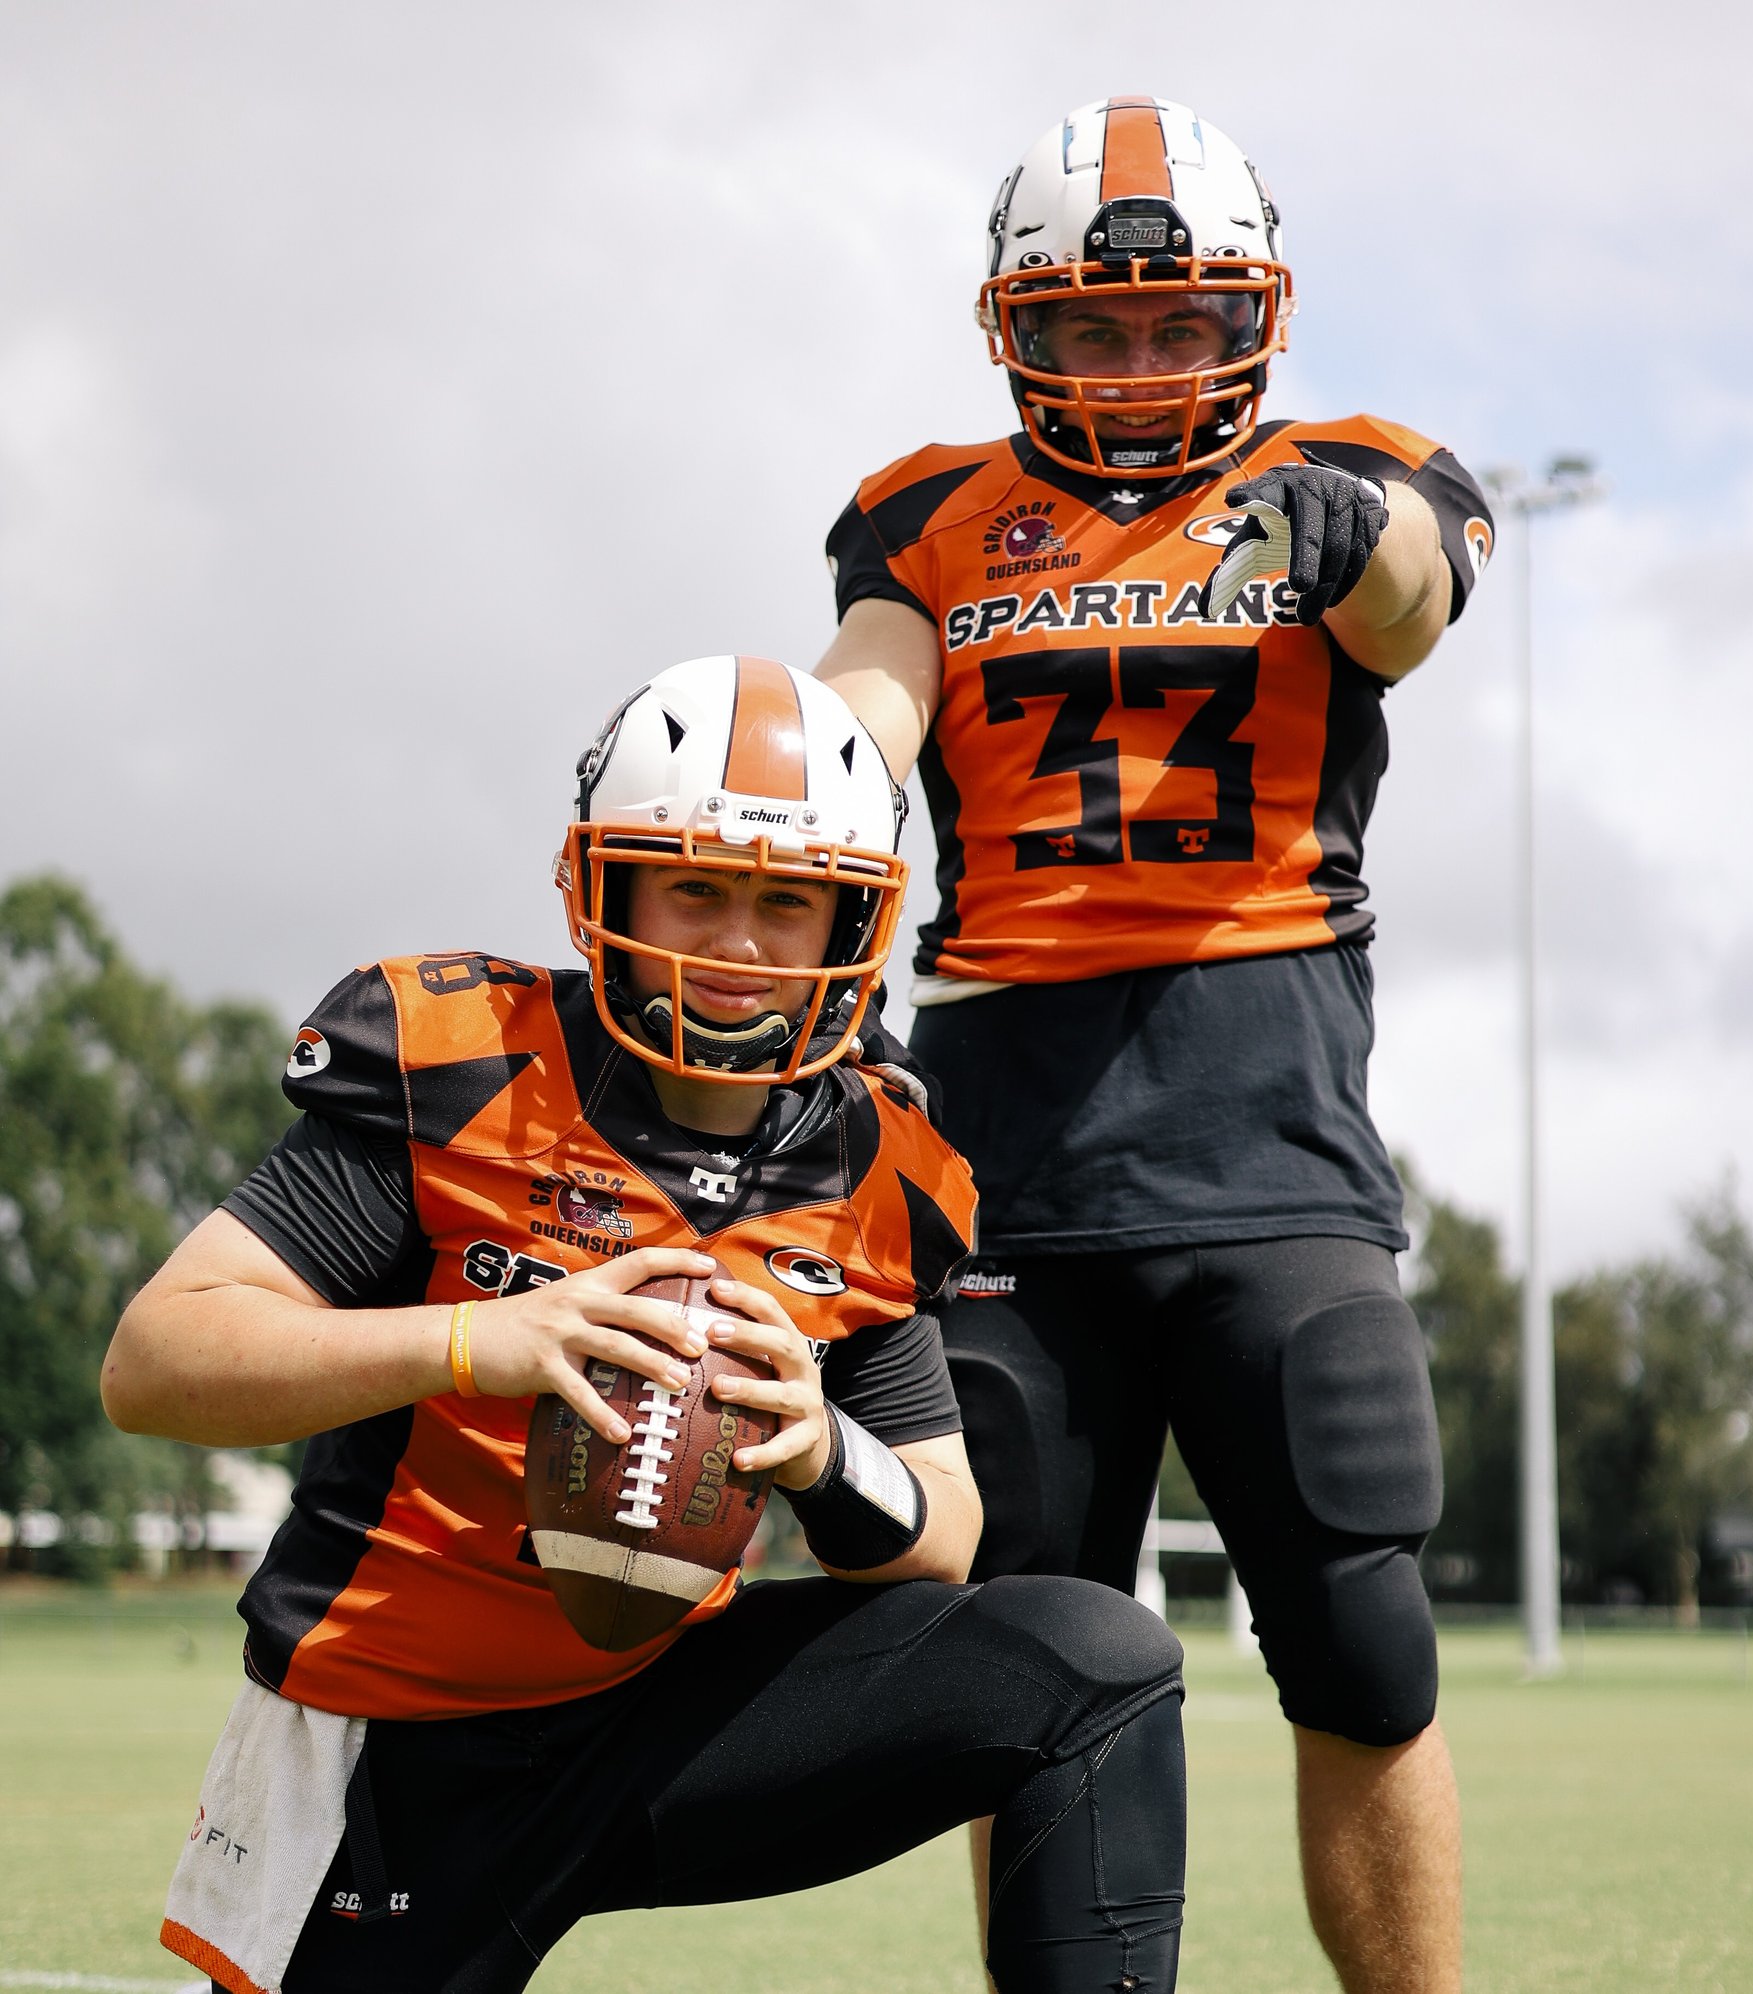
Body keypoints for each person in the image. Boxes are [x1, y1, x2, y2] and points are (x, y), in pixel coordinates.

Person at [103, 654, 1187, 1994]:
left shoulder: (873, 1160)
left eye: (789, 902)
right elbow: (156, 1359)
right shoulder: (462, 1061)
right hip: (392, 1742)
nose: (738, 945)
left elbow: (947, 1531)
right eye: (696, 886)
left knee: (1093, 1659)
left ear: (852, 924)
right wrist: (468, 1340)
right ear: (601, 885)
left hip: (667, 1719)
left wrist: (821, 1447)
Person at [816, 97, 1493, 1993]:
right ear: (1014, 326)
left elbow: (1416, 605)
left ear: (1251, 320)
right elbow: (867, 712)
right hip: (1006, 1153)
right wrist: (780, 813)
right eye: (1094, 327)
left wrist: (1355, 546)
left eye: (1181, 323)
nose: (1137, 363)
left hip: (1271, 1143)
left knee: (1364, 1647)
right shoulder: (929, 514)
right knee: (1036, 1665)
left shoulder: (1360, 469)